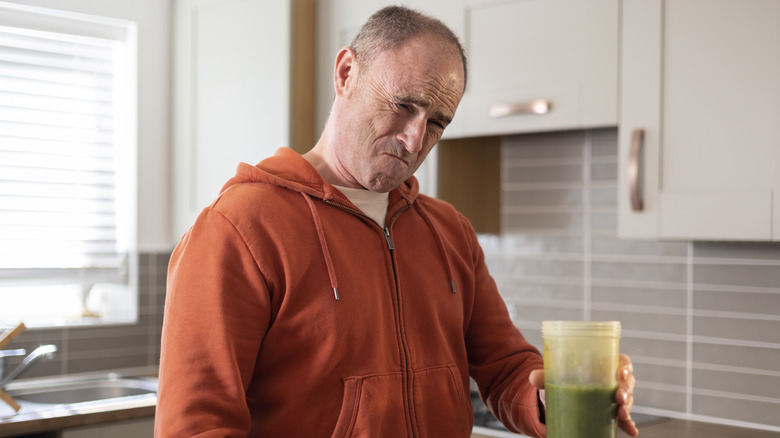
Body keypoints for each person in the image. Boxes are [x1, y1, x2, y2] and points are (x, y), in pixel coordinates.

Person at [155, 6, 638, 437]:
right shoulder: (238, 229)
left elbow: (506, 367)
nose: (414, 140)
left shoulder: (450, 231)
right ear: (346, 73)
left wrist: (551, 398)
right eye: (404, 105)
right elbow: (196, 426)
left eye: (436, 122)